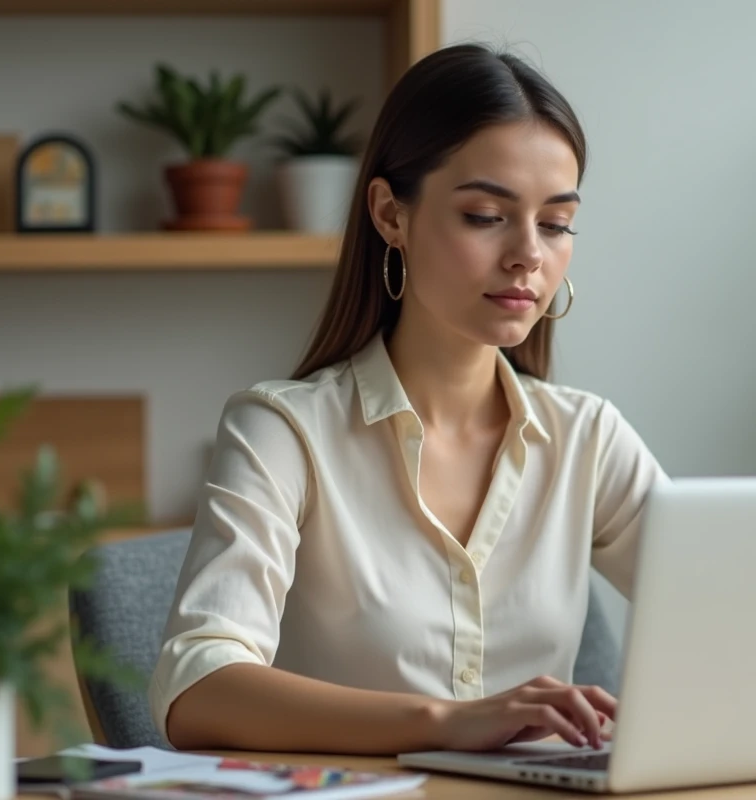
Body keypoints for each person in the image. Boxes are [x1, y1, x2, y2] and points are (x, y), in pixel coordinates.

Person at [148, 42, 667, 757]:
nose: (529, 254)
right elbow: (197, 688)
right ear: (391, 215)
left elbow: (736, 607)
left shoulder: (589, 437)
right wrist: (447, 722)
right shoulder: (283, 431)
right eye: (486, 215)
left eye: (554, 223)